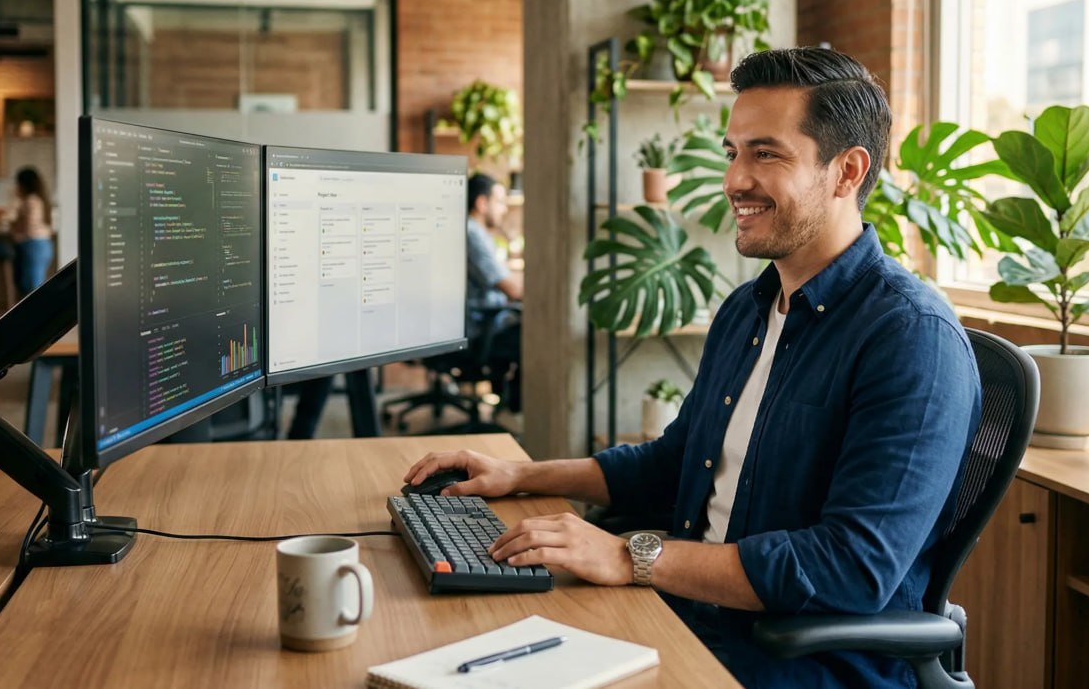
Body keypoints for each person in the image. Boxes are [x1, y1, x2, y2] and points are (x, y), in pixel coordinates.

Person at [404, 48, 981, 689]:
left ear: (846, 172)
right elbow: (675, 462)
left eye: (766, 154)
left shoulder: (909, 338)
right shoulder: (748, 309)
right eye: (733, 152)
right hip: (685, 616)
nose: (734, 179)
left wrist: (631, 555)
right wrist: (518, 474)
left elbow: (851, 568)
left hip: (795, 663)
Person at [466, 173, 522, 412]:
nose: (504, 209)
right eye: (499, 201)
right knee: (536, 338)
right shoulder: (472, 234)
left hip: (483, 319)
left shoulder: (478, 232)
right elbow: (512, 289)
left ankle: (507, 404)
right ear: (482, 203)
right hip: (479, 328)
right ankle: (514, 411)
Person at [10, 167, 54, 297]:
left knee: (31, 289)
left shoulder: (30, 201)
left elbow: (29, 228)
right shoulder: (41, 200)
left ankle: (35, 316)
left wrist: (17, 238)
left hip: (33, 245)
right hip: (44, 244)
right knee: (35, 285)